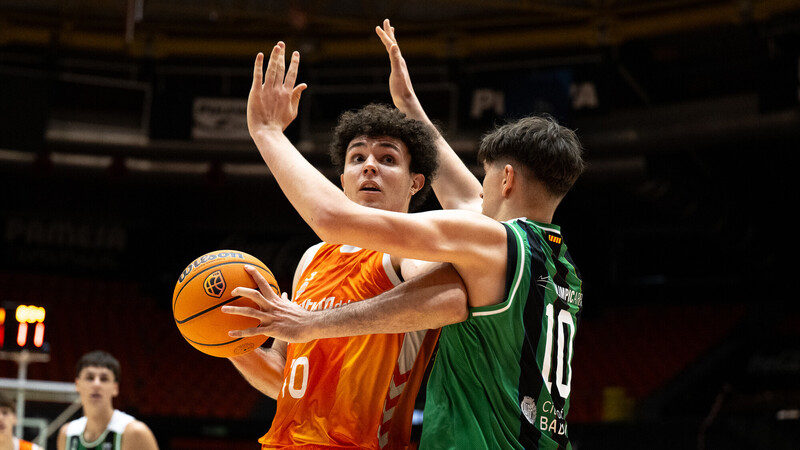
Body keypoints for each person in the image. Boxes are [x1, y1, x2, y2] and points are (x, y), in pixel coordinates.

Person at [226, 19, 585, 449]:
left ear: (506, 179)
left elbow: (332, 216)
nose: (476, 190)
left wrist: (266, 132)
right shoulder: (557, 265)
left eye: (485, 178)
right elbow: (466, 198)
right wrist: (409, 104)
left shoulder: (487, 240)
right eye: (357, 157)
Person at [226, 69, 448, 447]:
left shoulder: (410, 254)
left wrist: (313, 324)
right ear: (343, 180)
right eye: (357, 157)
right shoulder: (312, 256)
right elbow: (283, 377)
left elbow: (445, 303)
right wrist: (230, 342)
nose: (369, 166)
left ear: (416, 182)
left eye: (388, 158)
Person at [56, 350, 158, 450]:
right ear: (77, 384)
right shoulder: (67, 433)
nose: (96, 384)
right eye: (90, 378)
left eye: (104, 379)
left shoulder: (135, 432)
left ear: (115, 388)